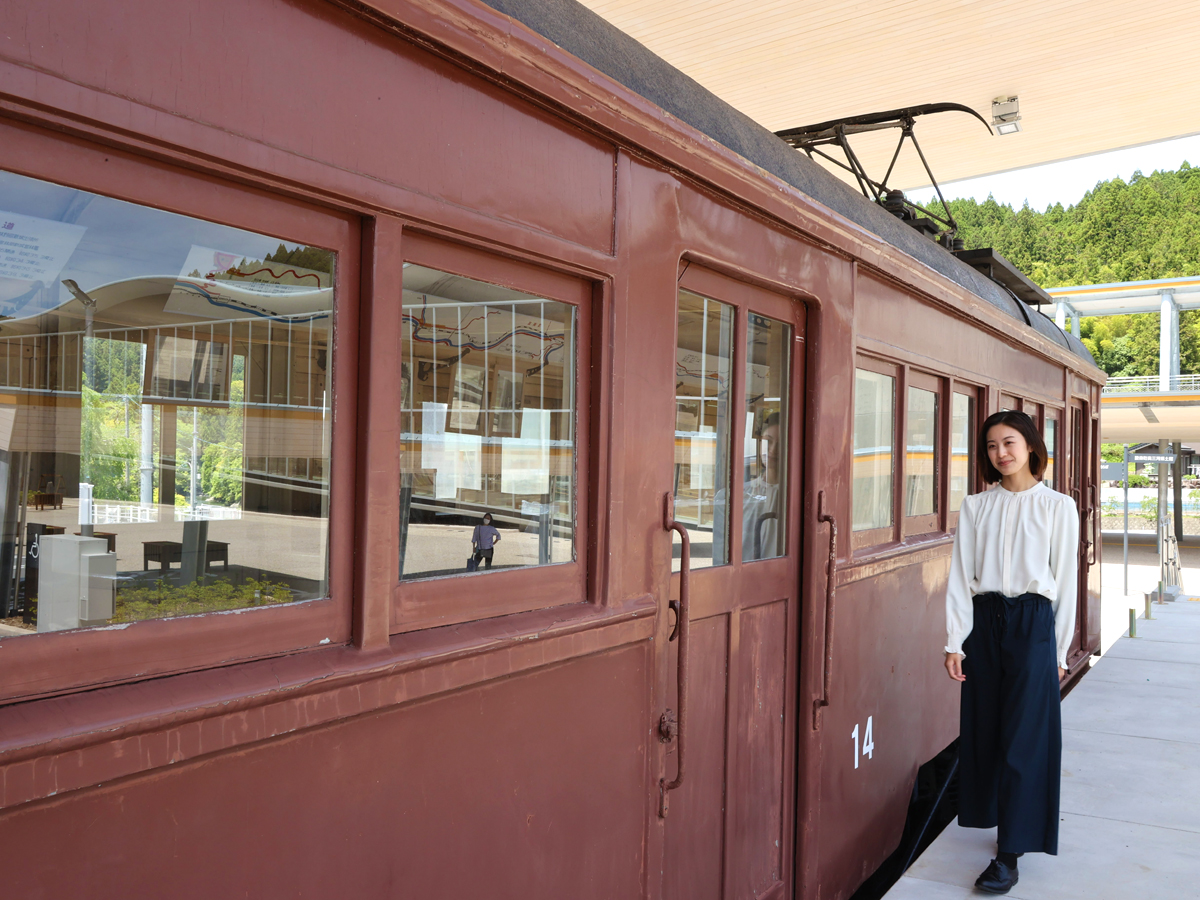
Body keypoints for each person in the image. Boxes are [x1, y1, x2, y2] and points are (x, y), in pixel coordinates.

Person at [943, 410, 1079, 895]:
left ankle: (1010, 853)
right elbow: (961, 577)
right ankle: (997, 820)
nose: (1000, 453)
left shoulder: (1058, 506)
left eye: (1009, 442)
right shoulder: (975, 507)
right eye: (991, 446)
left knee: (1025, 739)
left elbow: (1065, 584)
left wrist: (1058, 651)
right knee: (984, 732)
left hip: (1032, 624)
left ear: (1030, 446)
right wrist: (954, 640)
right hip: (986, 623)